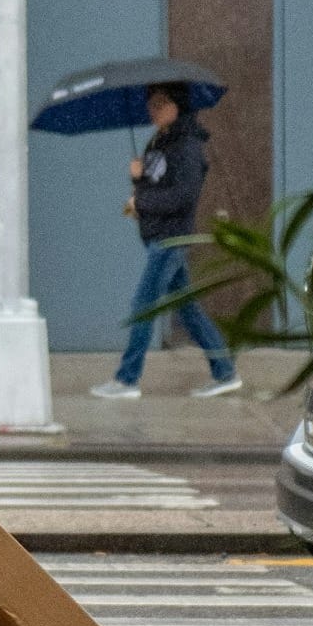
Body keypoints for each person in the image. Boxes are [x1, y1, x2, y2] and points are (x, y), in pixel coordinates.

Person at [91, 83, 241, 399]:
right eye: (151, 103)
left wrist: (142, 203)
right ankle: (225, 371)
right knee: (188, 309)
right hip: (157, 234)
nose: (152, 109)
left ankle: (126, 380)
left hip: (171, 238)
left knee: (143, 307)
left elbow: (183, 196)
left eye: (160, 103)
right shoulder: (160, 141)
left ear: (177, 105)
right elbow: (155, 186)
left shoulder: (187, 146)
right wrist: (137, 180)